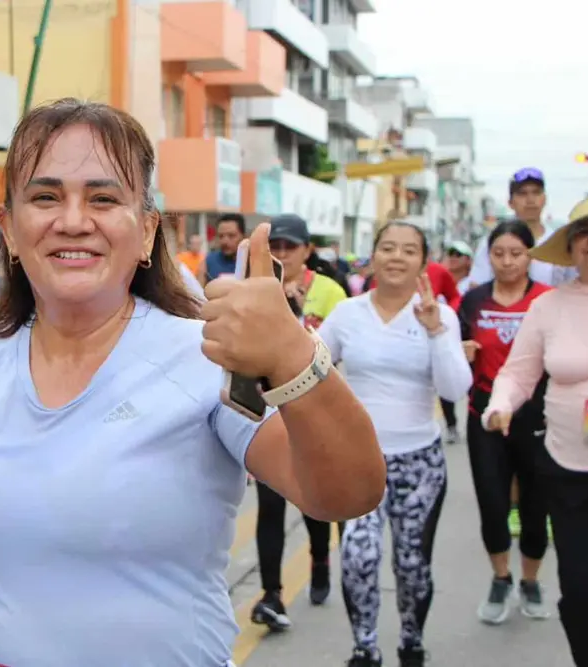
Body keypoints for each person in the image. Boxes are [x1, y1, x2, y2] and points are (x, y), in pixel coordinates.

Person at [0, 98, 386, 666]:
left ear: (148, 228)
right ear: (8, 226)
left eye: (103, 198)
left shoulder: (205, 358)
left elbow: (346, 494)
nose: (73, 221)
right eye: (45, 196)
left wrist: (294, 359)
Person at [482, 196, 588, 667]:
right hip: (574, 475)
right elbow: (518, 374)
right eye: (584, 231)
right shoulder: (548, 308)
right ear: (571, 248)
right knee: (580, 590)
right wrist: (500, 406)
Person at [319, 221, 472, 667]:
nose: (397, 257)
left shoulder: (438, 314)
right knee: (358, 556)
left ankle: (411, 640)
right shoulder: (348, 314)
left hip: (420, 463)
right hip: (360, 461)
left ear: (424, 262)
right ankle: (364, 648)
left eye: (409, 250)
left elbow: (455, 388)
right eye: (388, 247)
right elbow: (312, 367)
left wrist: (436, 331)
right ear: (373, 255)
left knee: (411, 565)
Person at [250, 213, 349, 631]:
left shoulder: (330, 292)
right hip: (267, 412)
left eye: (291, 246)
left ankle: (321, 560)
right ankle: (272, 593)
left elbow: (339, 356)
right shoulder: (252, 285)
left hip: (311, 411)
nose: (283, 253)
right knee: (270, 506)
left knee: (312, 501)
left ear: (308, 250)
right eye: (277, 246)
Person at [459, 221, 553, 625]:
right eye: (499, 253)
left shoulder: (548, 300)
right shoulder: (475, 300)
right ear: (489, 256)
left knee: (536, 506)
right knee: (493, 504)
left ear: (530, 256)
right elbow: (456, 352)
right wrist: (460, 350)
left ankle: (530, 581)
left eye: (516, 253)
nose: (508, 261)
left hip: (538, 414)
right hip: (485, 413)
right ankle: (501, 577)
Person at [469, 168, 576, 287]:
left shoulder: (558, 242)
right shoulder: (493, 242)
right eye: (522, 194)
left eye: (536, 192)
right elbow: (476, 286)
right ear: (510, 202)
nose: (530, 200)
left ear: (544, 199)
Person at [200, 214, 245, 283]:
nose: (224, 241)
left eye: (231, 235)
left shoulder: (252, 262)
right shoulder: (208, 262)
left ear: (243, 236)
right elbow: (198, 291)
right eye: (221, 236)